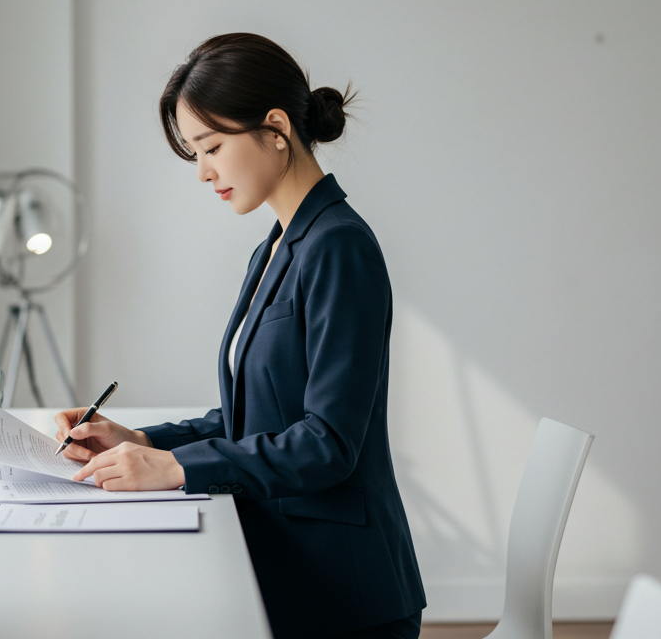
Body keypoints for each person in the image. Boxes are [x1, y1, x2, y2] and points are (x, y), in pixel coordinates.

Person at [52, 33, 425, 638]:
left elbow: (327, 443)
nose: (203, 173)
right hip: (283, 567)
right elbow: (257, 417)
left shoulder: (339, 246)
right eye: (195, 154)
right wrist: (143, 439)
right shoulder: (275, 247)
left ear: (275, 128)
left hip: (341, 596)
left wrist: (175, 470)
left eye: (212, 147)